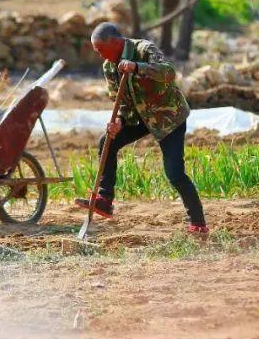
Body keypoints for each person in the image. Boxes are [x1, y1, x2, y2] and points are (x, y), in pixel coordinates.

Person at [73, 22, 208, 235]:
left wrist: (137, 67)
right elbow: (121, 102)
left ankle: (198, 222)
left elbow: (169, 73)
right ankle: (104, 199)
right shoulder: (109, 66)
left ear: (116, 43)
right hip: (139, 118)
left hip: (168, 117)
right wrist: (119, 121)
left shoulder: (144, 49)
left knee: (174, 173)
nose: (99, 55)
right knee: (107, 141)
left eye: (100, 49)